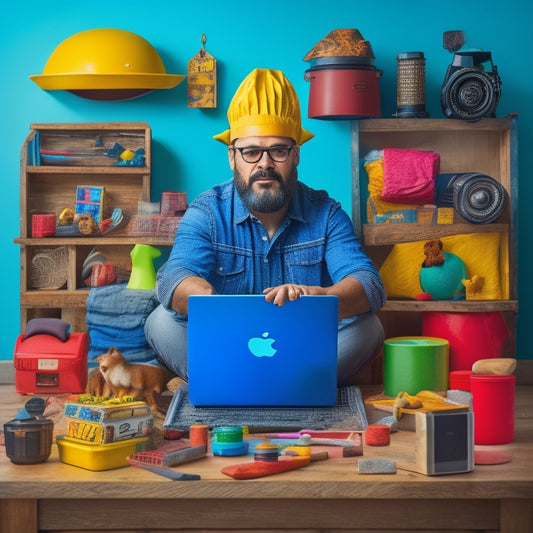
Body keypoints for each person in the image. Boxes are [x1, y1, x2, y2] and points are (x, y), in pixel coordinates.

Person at [144, 68, 386, 387]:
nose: (265, 163)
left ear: (296, 154)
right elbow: (173, 276)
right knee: (161, 322)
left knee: (369, 329)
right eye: (251, 151)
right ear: (233, 157)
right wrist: (210, 301)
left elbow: (368, 283)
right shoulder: (206, 211)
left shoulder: (326, 214)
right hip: (226, 348)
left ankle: (236, 384)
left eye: (279, 150)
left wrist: (321, 298)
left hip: (304, 349)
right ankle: (286, 385)